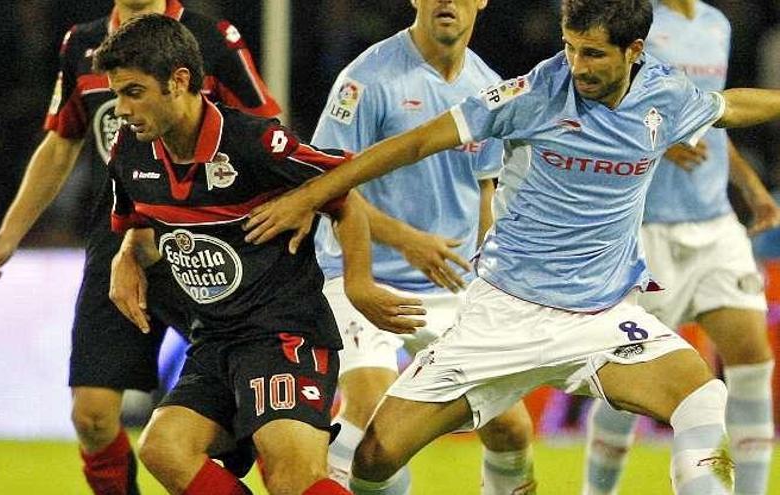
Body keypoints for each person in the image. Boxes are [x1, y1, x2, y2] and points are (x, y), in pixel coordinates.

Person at [243, 0, 780, 492]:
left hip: (600, 315)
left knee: (703, 398)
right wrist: (311, 194)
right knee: (374, 459)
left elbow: (729, 106)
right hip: (501, 317)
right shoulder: (530, 95)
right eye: (570, 48)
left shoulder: (666, 95)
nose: (578, 65)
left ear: (634, 52)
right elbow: (415, 143)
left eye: (593, 53)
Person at [97, 14, 424, 495]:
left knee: (292, 479)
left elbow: (344, 197)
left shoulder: (253, 144)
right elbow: (138, 225)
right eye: (117, 93)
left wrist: (358, 283)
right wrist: (124, 257)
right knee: (163, 448)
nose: (121, 108)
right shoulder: (131, 150)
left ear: (179, 81)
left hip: (283, 335)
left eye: (133, 91)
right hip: (213, 341)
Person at [0, 1, 280, 493]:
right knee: (92, 414)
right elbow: (61, 143)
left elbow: (263, 133)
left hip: (203, 239)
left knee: (259, 412)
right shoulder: (82, 44)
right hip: (119, 240)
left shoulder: (212, 37)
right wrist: (10, 233)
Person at [310, 0, 535, 492]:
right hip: (361, 277)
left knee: (511, 427)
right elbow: (327, 183)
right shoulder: (366, 79)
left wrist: (489, 280)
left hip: (451, 283)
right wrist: (408, 241)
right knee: (372, 420)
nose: (447, 3)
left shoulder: (489, 88)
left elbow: (485, 188)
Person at [581, 2, 778, 494]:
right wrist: (657, 139)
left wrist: (751, 188)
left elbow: (714, 113)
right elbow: (587, 105)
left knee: (752, 361)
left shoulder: (717, 24)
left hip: (714, 222)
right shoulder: (632, 21)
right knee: (631, 382)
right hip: (648, 227)